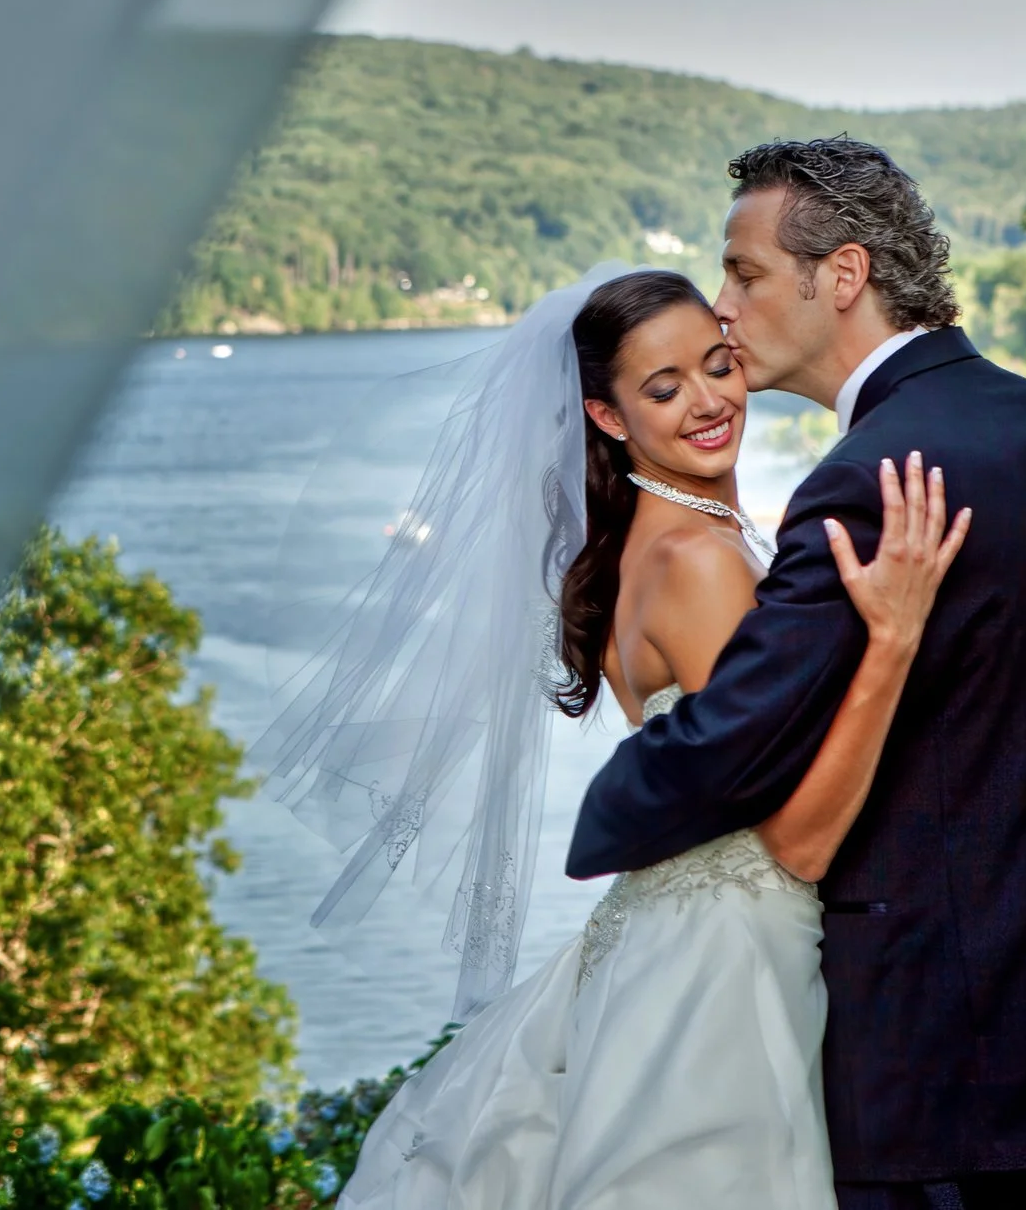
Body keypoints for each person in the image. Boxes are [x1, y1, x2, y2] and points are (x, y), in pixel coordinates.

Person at [258, 265, 967, 1210]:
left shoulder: (650, 542)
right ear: (605, 416)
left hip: (657, 939)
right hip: (728, 967)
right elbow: (797, 841)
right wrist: (894, 637)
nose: (710, 401)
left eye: (719, 365)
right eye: (664, 388)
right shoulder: (701, 565)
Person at [569, 139, 1026, 1209]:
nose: (722, 308)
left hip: (931, 1064)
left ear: (840, 275)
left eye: (745, 272)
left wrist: (605, 810)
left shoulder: (867, 479)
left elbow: (729, 743)